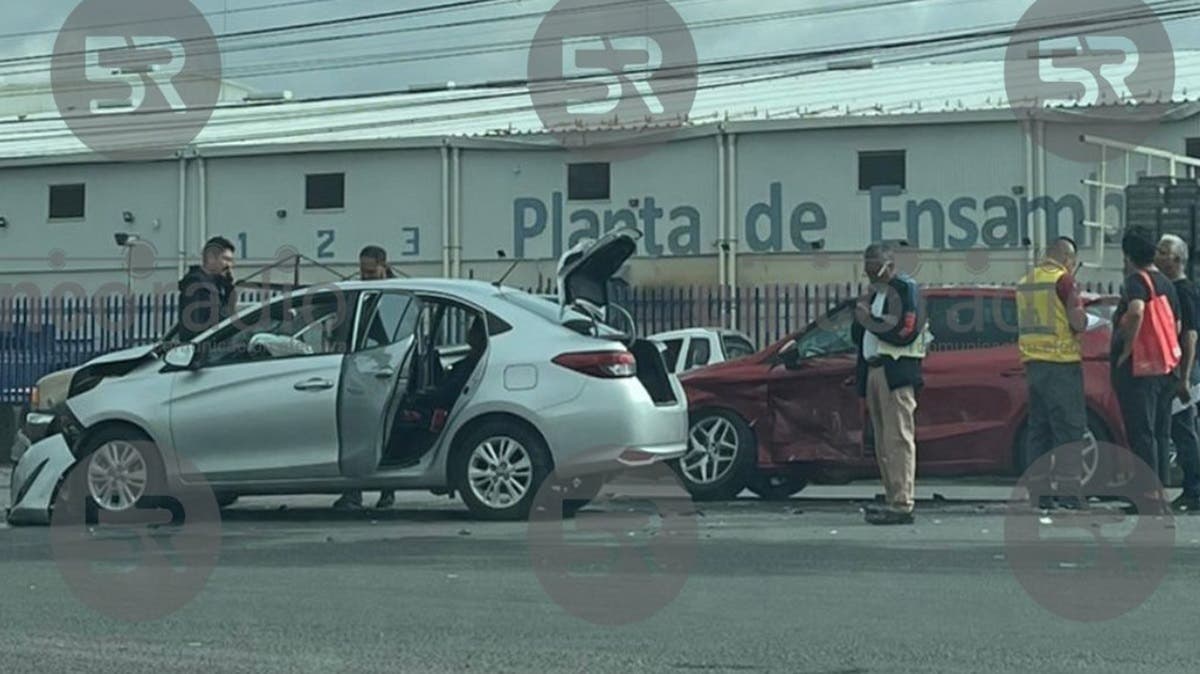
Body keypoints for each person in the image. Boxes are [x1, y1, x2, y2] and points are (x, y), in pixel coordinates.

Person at [851, 242, 930, 525]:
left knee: (898, 438)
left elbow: (905, 331)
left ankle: (902, 502)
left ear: (889, 264)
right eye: (866, 266)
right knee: (883, 441)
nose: (869, 272)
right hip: (873, 369)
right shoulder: (874, 294)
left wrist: (870, 320)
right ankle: (892, 495)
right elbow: (858, 334)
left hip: (895, 370)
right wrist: (862, 318)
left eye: (874, 265)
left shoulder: (906, 290)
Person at [1015, 237, 1089, 510]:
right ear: (1068, 259)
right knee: (1069, 429)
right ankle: (1070, 494)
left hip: (1034, 364)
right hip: (1061, 363)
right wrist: (1086, 318)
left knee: (1039, 431)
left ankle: (1040, 494)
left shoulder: (1026, 281)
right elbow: (1077, 322)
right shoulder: (1064, 281)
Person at [1111, 230, 1181, 488]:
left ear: (1128, 256)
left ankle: (1146, 492)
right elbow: (1177, 324)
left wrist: (1127, 350)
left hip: (1141, 370)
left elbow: (1137, 311)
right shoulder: (1166, 283)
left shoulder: (1136, 281)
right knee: (1160, 432)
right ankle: (1159, 487)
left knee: (1141, 432)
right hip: (1165, 367)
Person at [333, 245, 399, 511]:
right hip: (361, 371)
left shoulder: (396, 296)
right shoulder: (360, 293)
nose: (366, 276)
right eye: (363, 271)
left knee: (382, 432)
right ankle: (354, 493)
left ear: (384, 266)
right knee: (356, 433)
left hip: (386, 370)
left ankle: (386, 490)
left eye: (371, 272)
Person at [1156, 234, 1200, 512]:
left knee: (1183, 429)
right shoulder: (1170, 289)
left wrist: (1184, 377)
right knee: (1182, 428)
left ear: (1176, 259)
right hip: (1178, 368)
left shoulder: (1183, 291)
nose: (1157, 256)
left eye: (1163, 252)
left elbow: (1190, 335)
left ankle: (1194, 490)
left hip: (1185, 369)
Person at [177, 236, 236, 342]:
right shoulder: (197, 286)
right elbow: (198, 327)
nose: (229, 265)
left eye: (231, 261)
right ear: (211, 258)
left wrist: (228, 288)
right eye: (226, 259)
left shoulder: (216, 285)